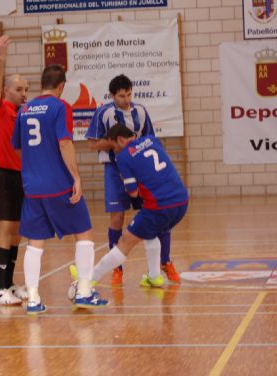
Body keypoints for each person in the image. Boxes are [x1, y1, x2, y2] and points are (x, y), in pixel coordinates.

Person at [11, 64, 108, 314]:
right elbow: (64, 143)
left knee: (35, 243)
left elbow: (19, 148)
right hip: (58, 185)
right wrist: (76, 176)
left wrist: (35, 166)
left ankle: (33, 299)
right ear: (61, 86)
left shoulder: (24, 109)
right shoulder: (60, 107)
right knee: (84, 235)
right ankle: (84, 292)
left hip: (32, 187)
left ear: (41, 83)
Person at [85, 74, 180, 285]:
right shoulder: (104, 112)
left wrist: (132, 150)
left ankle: (165, 263)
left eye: (129, 94)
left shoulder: (141, 111)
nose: (126, 99)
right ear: (112, 95)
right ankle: (117, 268)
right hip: (114, 169)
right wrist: (116, 145)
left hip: (138, 170)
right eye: (121, 96)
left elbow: (149, 139)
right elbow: (92, 144)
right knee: (117, 218)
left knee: (154, 215)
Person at [90, 123, 188, 288]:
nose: (114, 152)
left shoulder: (123, 157)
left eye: (113, 147)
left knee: (125, 241)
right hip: (182, 201)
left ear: (120, 140)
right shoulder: (152, 140)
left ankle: (89, 278)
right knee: (152, 232)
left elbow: (133, 193)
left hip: (159, 207)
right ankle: (154, 276)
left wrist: (125, 180)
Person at [0, 35, 29, 305]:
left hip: (23, 178)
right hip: (5, 178)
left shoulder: (24, 114)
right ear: (6, 92)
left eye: (27, 89)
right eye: (20, 89)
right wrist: (1, 57)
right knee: (5, 232)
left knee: (17, 233)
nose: (25, 93)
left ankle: (9, 284)